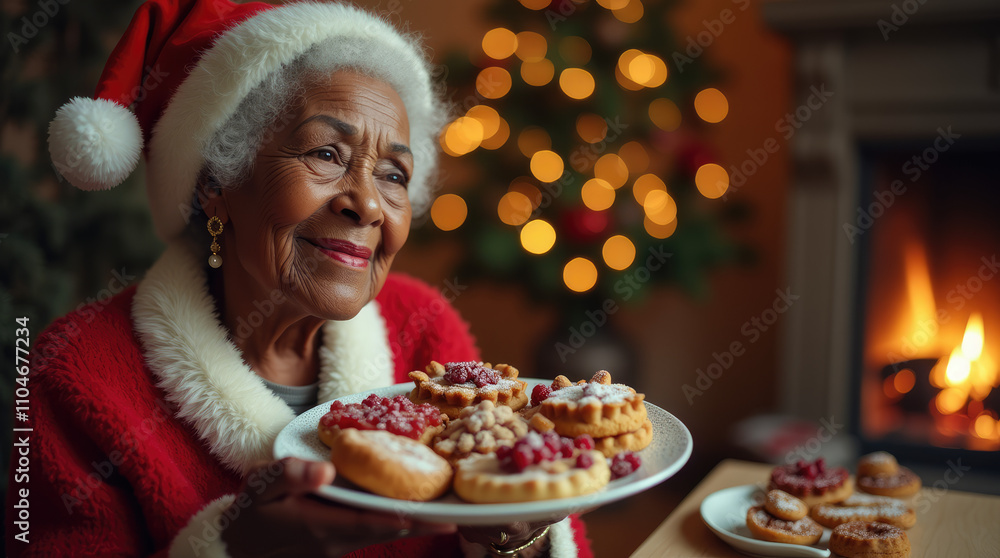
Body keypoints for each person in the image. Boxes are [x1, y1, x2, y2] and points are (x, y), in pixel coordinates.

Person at [6, 0, 592, 556]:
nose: (367, 203)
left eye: (393, 174)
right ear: (215, 182)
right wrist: (234, 549)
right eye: (327, 154)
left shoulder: (425, 330)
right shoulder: (70, 374)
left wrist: (518, 539)